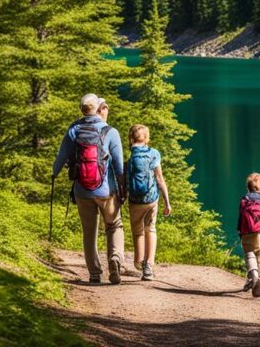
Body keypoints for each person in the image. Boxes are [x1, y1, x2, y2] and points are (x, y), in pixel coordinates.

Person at [53, 94, 125, 284]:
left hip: (82, 190)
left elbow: (62, 156)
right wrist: (122, 189)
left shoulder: (74, 129)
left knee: (89, 231)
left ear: (82, 109)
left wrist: (54, 173)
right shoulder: (110, 131)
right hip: (106, 191)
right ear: (98, 108)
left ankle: (94, 272)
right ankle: (115, 259)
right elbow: (119, 166)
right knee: (114, 225)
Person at [126, 124, 172, 281]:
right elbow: (160, 179)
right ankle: (149, 266)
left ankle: (139, 262)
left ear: (131, 139)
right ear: (146, 138)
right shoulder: (154, 154)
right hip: (152, 199)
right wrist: (167, 202)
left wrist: (121, 198)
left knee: (138, 231)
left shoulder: (131, 158)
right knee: (150, 229)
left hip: (135, 202)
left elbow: (125, 182)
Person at [237, 172, 260, 297]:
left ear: (248, 187)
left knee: (249, 253)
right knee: (258, 255)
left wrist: (239, 230)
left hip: (247, 230)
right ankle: (258, 282)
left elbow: (241, 216)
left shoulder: (245, 199)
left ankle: (253, 275)